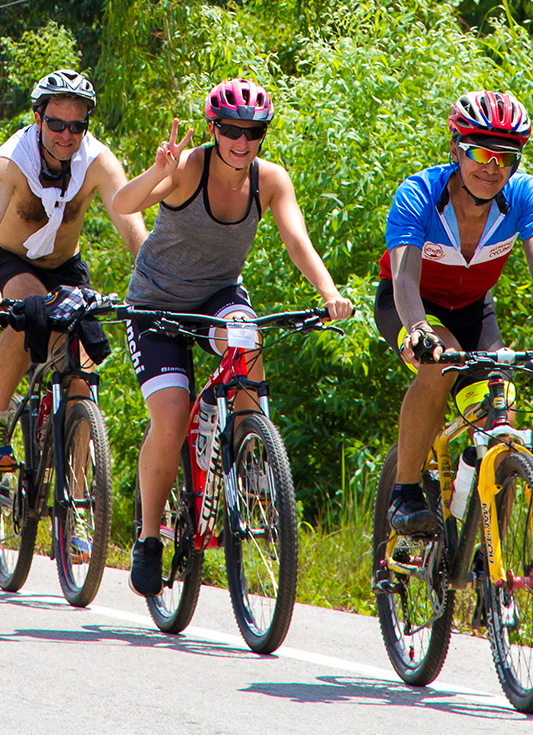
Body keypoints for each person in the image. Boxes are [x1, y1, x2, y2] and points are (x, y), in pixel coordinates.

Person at [111, 78, 353, 597]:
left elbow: (297, 241)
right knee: (172, 416)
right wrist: (160, 171)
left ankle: (253, 454)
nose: (242, 143)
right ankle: (150, 538)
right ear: (213, 129)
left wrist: (330, 292)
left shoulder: (270, 181)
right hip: (156, 302)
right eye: (231, 131)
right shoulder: (190, 168)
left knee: (247, 338)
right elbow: (121, 203)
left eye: (254, 132)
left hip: (217, 295)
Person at [375, 90, 533, 537]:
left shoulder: (522, 196)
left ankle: (490, 551)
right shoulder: (419, 194)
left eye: (505, 157)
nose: (492, 167)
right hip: (410, 305)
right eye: (480, 152)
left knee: (499, 399)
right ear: (455, 149)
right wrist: (419, 331)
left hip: (472, 308)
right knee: (439, 368)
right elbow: (405, 278)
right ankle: (404, 492)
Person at [0, 69, 148, 468]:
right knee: (29, 303)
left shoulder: (98, 161)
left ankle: (80, 505)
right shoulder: (11, 161)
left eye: (77, 126)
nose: (66, 134)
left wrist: (158, 280)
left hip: (66, 266)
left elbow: (133, 229)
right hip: (11, 260)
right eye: (56, 123)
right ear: (38, 119)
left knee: (81, 378)